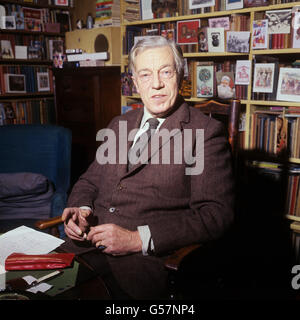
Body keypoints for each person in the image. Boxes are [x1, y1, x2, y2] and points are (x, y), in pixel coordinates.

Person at [62, 36, 234, 299]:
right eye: (145, 74)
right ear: (135, 83)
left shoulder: (205, 133)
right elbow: (89, 182)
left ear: (181, 75)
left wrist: (136, 239)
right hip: (83, 248)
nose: (156, 84)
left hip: (138, 268)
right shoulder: (119, 123)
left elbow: (215, 215)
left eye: (166, 71)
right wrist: (81, 209)